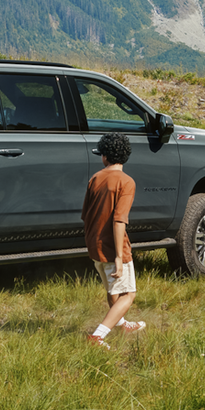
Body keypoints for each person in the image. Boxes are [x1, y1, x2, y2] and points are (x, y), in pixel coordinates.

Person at [81, 132, 145, 349]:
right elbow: (119, 220)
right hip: (113, 247)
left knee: (114, 290)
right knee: (129, 294)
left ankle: (122, 325)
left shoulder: (95, 178)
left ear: (105, 157)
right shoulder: (127, 182)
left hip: (94, 245)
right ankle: (98, 336)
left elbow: (86, 215)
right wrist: (119, 256)